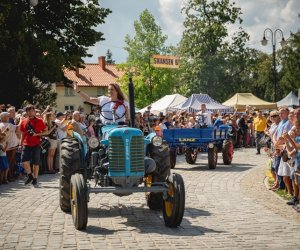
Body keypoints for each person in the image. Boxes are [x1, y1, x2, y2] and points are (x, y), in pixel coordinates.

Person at [19, 104, 47, 186]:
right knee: (24, 161)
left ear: (34, 112)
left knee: (36, 162)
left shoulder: (39, 121)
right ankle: (30, 175)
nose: (30, 112)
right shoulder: (24, 121)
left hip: (37, 144)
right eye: (28, 111)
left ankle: (35, 178)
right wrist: (20, 144)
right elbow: (22, 134)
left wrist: (37, 134)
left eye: (32, 111)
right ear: (26, 112)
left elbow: (45, 131)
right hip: (26, 143)